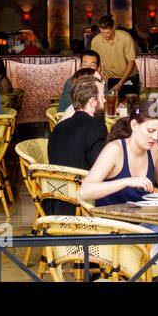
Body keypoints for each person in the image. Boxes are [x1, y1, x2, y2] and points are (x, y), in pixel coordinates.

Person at [79, 100, 158, 206]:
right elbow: (84, 192)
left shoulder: (153, 149)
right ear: (134, 125)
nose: (155, 137)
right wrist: (126, 182)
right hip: (111, 221)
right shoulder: (115, 150)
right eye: (150, 131)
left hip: (143, 220)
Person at [46, 75, 109, 213]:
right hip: (83, 205)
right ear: (92, 101)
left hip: (57, 202)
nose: (105, 100)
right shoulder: (96, 127)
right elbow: (101, 168)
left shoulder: (58, 127)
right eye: (103, 96)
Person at [91, 15, 139, 97]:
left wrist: (120, 84)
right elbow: (96, 61)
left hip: (129, 78)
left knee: (131, 106)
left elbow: (131, 62)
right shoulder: (96, 41)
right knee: (111, 105)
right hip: (110, 79)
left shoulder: (125, 38)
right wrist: (101, 74)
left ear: (113, 28)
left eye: (107, 32)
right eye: (102, 32)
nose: (105, 36)